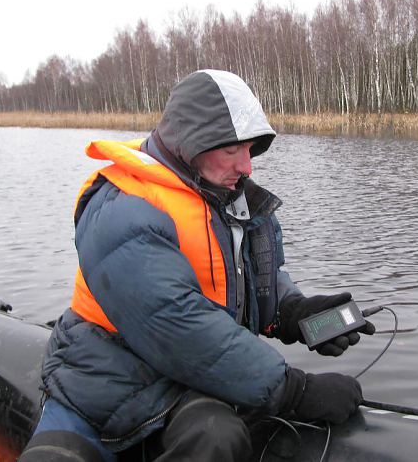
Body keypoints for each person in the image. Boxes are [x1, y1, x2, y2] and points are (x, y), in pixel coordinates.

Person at [19, 69, 375, 462]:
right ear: (191, 144)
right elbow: (177, 321)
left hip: (184, 387)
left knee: (217, 437)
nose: (247, 166)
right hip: (100, 389)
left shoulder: (227, 198)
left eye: (250, 149)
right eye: (231, 150)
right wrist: (295, 391)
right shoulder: (121, 207)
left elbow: (255, 285)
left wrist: (294, 313)